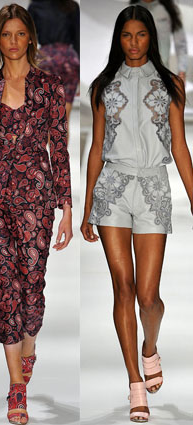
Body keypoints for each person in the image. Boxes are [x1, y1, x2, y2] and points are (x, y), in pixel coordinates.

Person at [81, 5, 193, 422]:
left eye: (140, 35)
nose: (133, 42)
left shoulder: (171, 85)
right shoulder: (102, 86)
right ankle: (134, 385)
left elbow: (179, 146)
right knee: (123, 290)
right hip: (112, 189)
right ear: (118, 39)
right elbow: (96, 147)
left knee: (149, 297)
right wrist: (87, 206)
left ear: (151, 37)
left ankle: (150, 346)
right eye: (126, 35)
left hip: (153, 188)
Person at [0, 4, 72, 424]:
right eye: (5, 34)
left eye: (19, 34)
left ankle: (29, 346)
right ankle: (16, 385)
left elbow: (59, 147)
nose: (12, 42)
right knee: (6, 288)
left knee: (32, 287)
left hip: (36, 197)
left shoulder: (50, 87)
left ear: (30, 37)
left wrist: (67, 207)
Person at [28, 0, 79, 121]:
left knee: (44, 117)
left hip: (45, 60)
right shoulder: (71, 5)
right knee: (64, 119)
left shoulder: (35, 6)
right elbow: (77, 39)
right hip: (68, 61)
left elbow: (27, 37)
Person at [130, 0, 187, 81]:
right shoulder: (131, 9)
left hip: (162, 74)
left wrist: (182, 71)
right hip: (135, 75)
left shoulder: (169, 9)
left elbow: (180, 44)